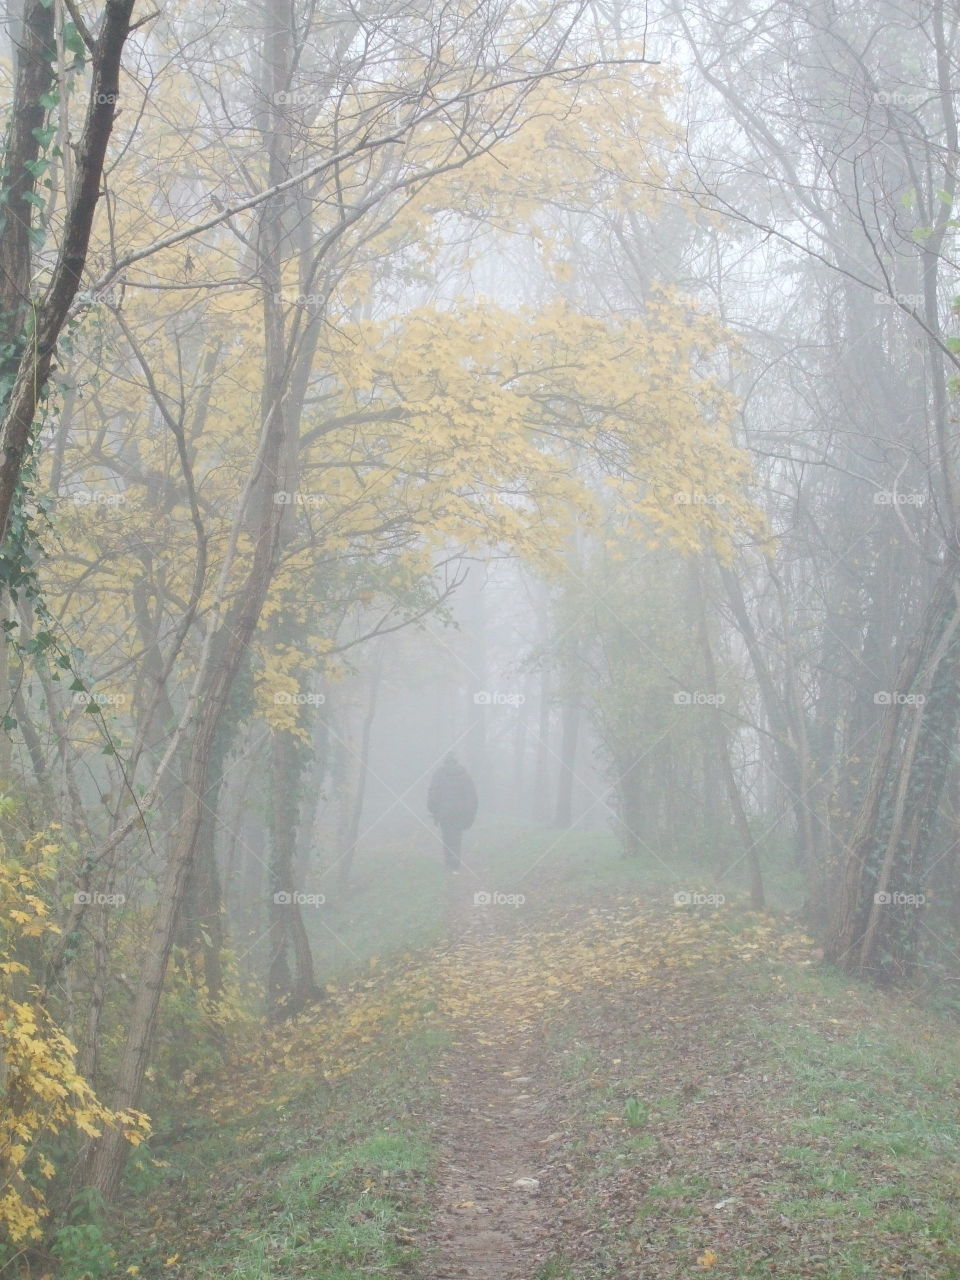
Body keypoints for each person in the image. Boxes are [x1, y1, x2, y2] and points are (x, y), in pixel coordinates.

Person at [427, 753, 478, 871]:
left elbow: (433, 794)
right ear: (456, 761)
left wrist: (433, 809)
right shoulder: (465, 776)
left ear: (445, 761)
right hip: (460, 813)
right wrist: (470, 814)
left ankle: (449, 864)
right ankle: (455, 864)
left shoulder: (438, 774)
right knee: (457, 837)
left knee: (447, 837)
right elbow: (472, 797)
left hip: (444, 813)